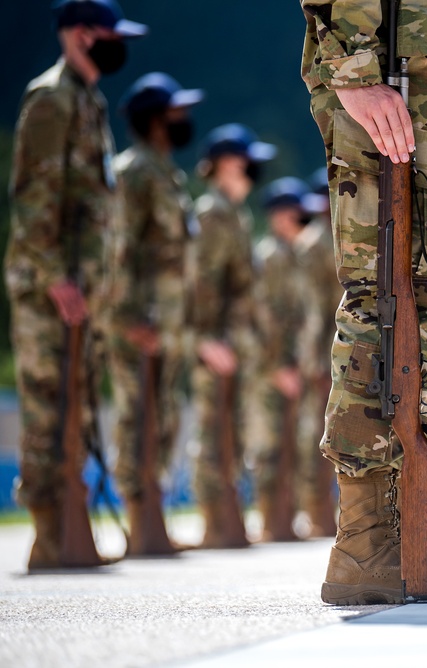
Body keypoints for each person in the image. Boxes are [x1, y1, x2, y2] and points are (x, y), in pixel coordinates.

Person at [301, 0, 427, 605]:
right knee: (382, 298)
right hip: (394, 68)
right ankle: (364, 540)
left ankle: (399, 533)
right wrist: (351, 70)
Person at [4, 0, 147, 570]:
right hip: (50, 291)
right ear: (80, 35)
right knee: (46, 405)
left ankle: (70, 531)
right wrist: (56, 278)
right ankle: (50, 535)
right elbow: (34, 198)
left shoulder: (89, 101)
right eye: (111, 35)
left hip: (81, 291)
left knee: (74, 405)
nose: (119, 45)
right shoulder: (52, 98)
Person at [109, 72, 202, 555]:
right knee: (136, 417)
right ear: (154, 120)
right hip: (140, 323)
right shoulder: (134, 172)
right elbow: (119, 251)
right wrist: (126, 319)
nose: (184, 119)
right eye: (175, 112)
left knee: (162, 416)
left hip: (168, 324)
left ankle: (154, 517)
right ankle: (137, 518)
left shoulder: (167, 173)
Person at [189, 123, 275, 548]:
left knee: (234, 431)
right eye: (244, 160)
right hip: (217, 344)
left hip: (236, 344)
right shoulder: (212, 215)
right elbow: (200, 284)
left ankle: (229, 521)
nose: (252, 168)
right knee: (212, 432)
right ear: (224, 165)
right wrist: (205, 340)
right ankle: (214, 523)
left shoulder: (236, 215)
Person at [248, 177, 319, 541]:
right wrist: (277, 367)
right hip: (272, 368)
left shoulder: (296, 254)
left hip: (294, 364)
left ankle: (288, 519)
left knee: (295, 443)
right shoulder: (270, 257)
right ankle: (270, 520)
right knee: (271, 445)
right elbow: (264, 317)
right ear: (279, 216)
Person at [293, 169, 344, 538]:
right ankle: (317, 513)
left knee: (325, 432)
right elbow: (311, 310)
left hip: (330, 350)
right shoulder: (318, 242)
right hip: (327, 353)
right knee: (319, 432)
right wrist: (314, 361)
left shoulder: (323, 239)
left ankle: (323, 514)